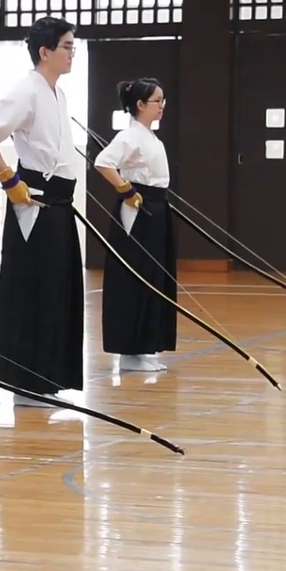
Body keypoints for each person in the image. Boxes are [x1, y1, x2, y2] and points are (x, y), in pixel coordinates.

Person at [0, 16, 84, 406]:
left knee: (55, 292)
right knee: (32, 291)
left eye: (74, 45)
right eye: (67, 46)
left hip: (59, 203)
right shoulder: (26, 91)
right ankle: (24, 384)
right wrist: (7, 179)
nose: (73, 53)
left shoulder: (57, 93)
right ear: (45, 51)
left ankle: (46, 379)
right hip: (33, 201)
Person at [94, 77, 176, 372]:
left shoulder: (151, 138)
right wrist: (126, 191)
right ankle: (128, 353)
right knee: (135, 278)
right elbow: (103, 163)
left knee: (153, 277)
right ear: (140, 105)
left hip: (155, 208)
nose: (162, 106)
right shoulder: (128, 136)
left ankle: (143, 347)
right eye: (157, 101)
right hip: (137, 210)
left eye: (163, 100)